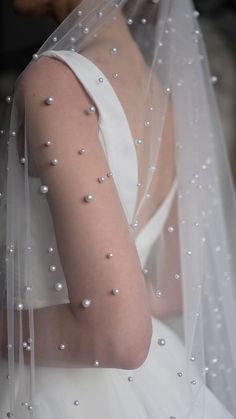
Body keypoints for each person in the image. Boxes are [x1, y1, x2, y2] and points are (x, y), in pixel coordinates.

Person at [1, 0, 236, 418]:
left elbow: (118, 337)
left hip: (50, 386)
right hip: (150, 386)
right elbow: (170, 288)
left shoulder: (56, 84)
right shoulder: (162, 95)